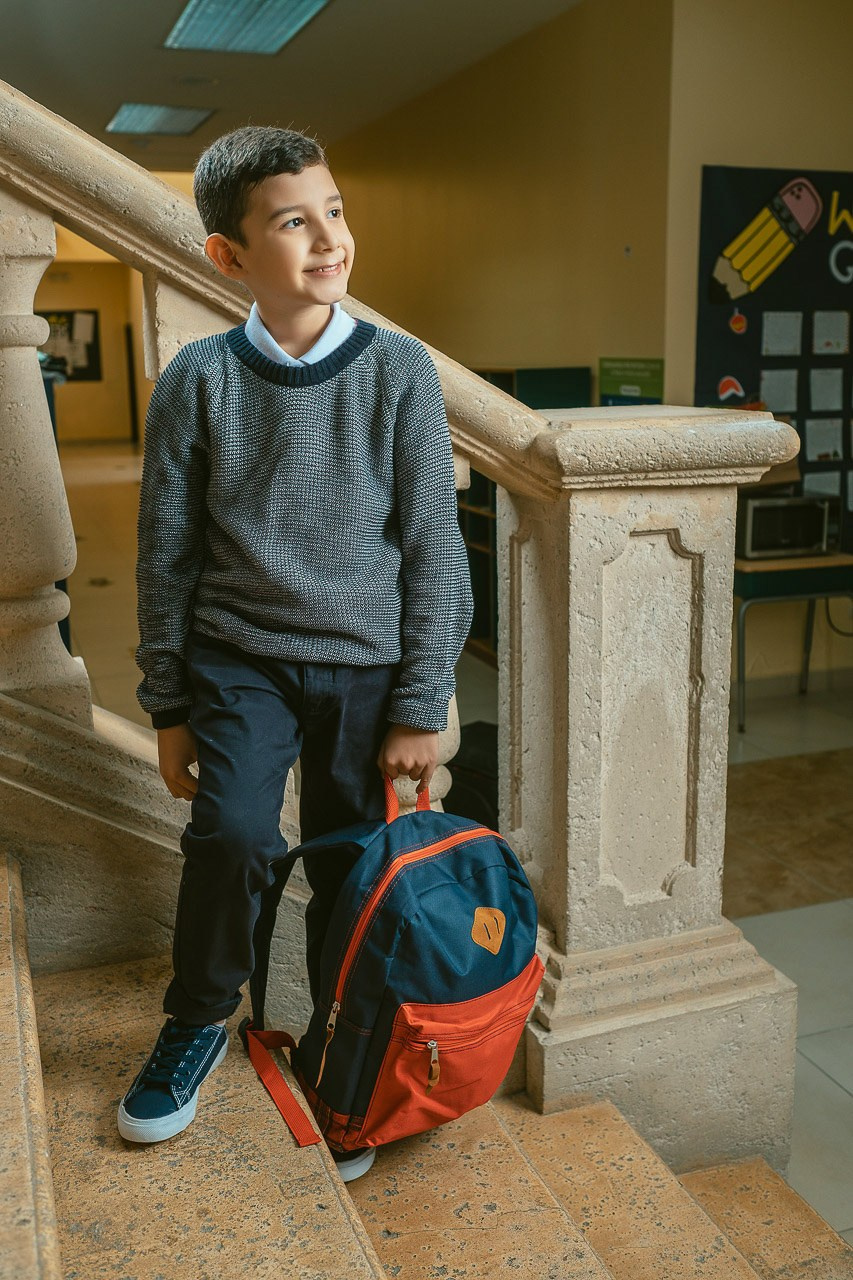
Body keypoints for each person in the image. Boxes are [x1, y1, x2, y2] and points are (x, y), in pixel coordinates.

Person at [117, 125, 474, 1182]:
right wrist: (170, 701)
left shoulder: (399, 370)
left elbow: (432, 545)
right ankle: (196, 1018)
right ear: (229, 256)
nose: (328, 237)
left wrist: (419, 698)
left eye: (335, 211)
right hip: (241, 661)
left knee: (350, 863)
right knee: (230, 834)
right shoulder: (197, 381)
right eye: (292, 221)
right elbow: (165, 555)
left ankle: (339, 1040)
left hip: (367, 672)